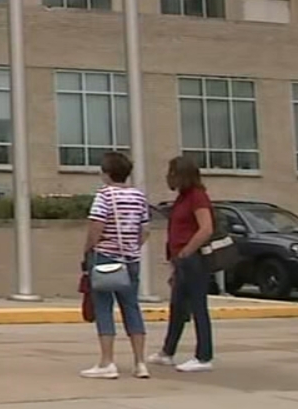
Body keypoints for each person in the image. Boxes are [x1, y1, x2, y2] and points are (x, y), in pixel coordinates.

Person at [80, 152, 151, 380]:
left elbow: (96, 227)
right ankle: (140, 363)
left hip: (106, 259)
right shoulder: (139, 196)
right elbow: (146, 230)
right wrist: (132, 247)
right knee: (131, 307)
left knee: (104, 308)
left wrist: (89, 249)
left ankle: (107, 362)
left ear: (107, 173)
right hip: (131, 260)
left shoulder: (104, 196)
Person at [149, 156, 215, 373]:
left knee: (198, 307)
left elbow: (206, 228)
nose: (169, 177)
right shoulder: (182, 197)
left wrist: (187, 251)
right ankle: (167, 352)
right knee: (177, 308)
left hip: (193, 260)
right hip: (181, 260)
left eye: (173, 173)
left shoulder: (197, 197)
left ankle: (204, 356)